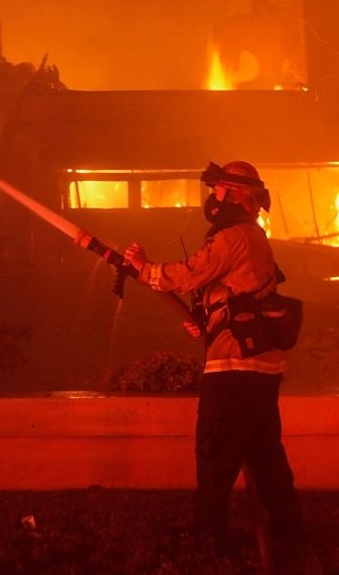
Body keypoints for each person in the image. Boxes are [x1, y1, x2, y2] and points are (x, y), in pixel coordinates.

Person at [124, 160, 303, 553]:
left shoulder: (234, 237)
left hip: (234, 367)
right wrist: (206, 322)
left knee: (214, 450)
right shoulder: (250, 236)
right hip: (259, 366)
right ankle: (289, 529)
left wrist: (145, 269)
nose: (212, 197)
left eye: (216, 189)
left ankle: (208, 537)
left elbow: (190, 273)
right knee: (264, 453)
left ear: (234, 194)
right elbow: (233, 295)